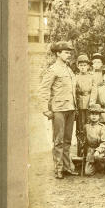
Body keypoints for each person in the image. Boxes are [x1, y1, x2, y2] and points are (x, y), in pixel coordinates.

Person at [38, 41, 78, 179]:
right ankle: (58, 169)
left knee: (68, 140)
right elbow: (44, 89)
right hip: (59, 109)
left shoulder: (69, 69)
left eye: (69, 52)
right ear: (58, 53)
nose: (69, 55)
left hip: (70, 108)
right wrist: (45, 109)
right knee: (58, 140)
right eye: (66, 52)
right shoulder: (53, 69)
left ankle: (67, 167)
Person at [83, 104, 105, 176]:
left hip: (101, 150)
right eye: (92, 114)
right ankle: (94, 165)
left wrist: (98, 150)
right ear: (89, 116)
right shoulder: (86, 126)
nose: (94, 116)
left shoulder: (102, 127)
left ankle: (101, 165)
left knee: (98, 157)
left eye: (96, 114)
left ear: (99, 116)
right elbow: (84, 139)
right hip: (91, 150)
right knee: (88, 173)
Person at [75, 54, 96, 138]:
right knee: (80, 122)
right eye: (81, 65)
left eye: (84, 65)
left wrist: (92, 101)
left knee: (89, 120)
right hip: (79, 101)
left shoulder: (92, 76)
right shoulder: (75, 77)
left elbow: (94, 90)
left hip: (89, 101)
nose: (83, 67)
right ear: (78, 66)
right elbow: (74, 91)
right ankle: (80, 140)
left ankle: (90, 138)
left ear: (88, 66)